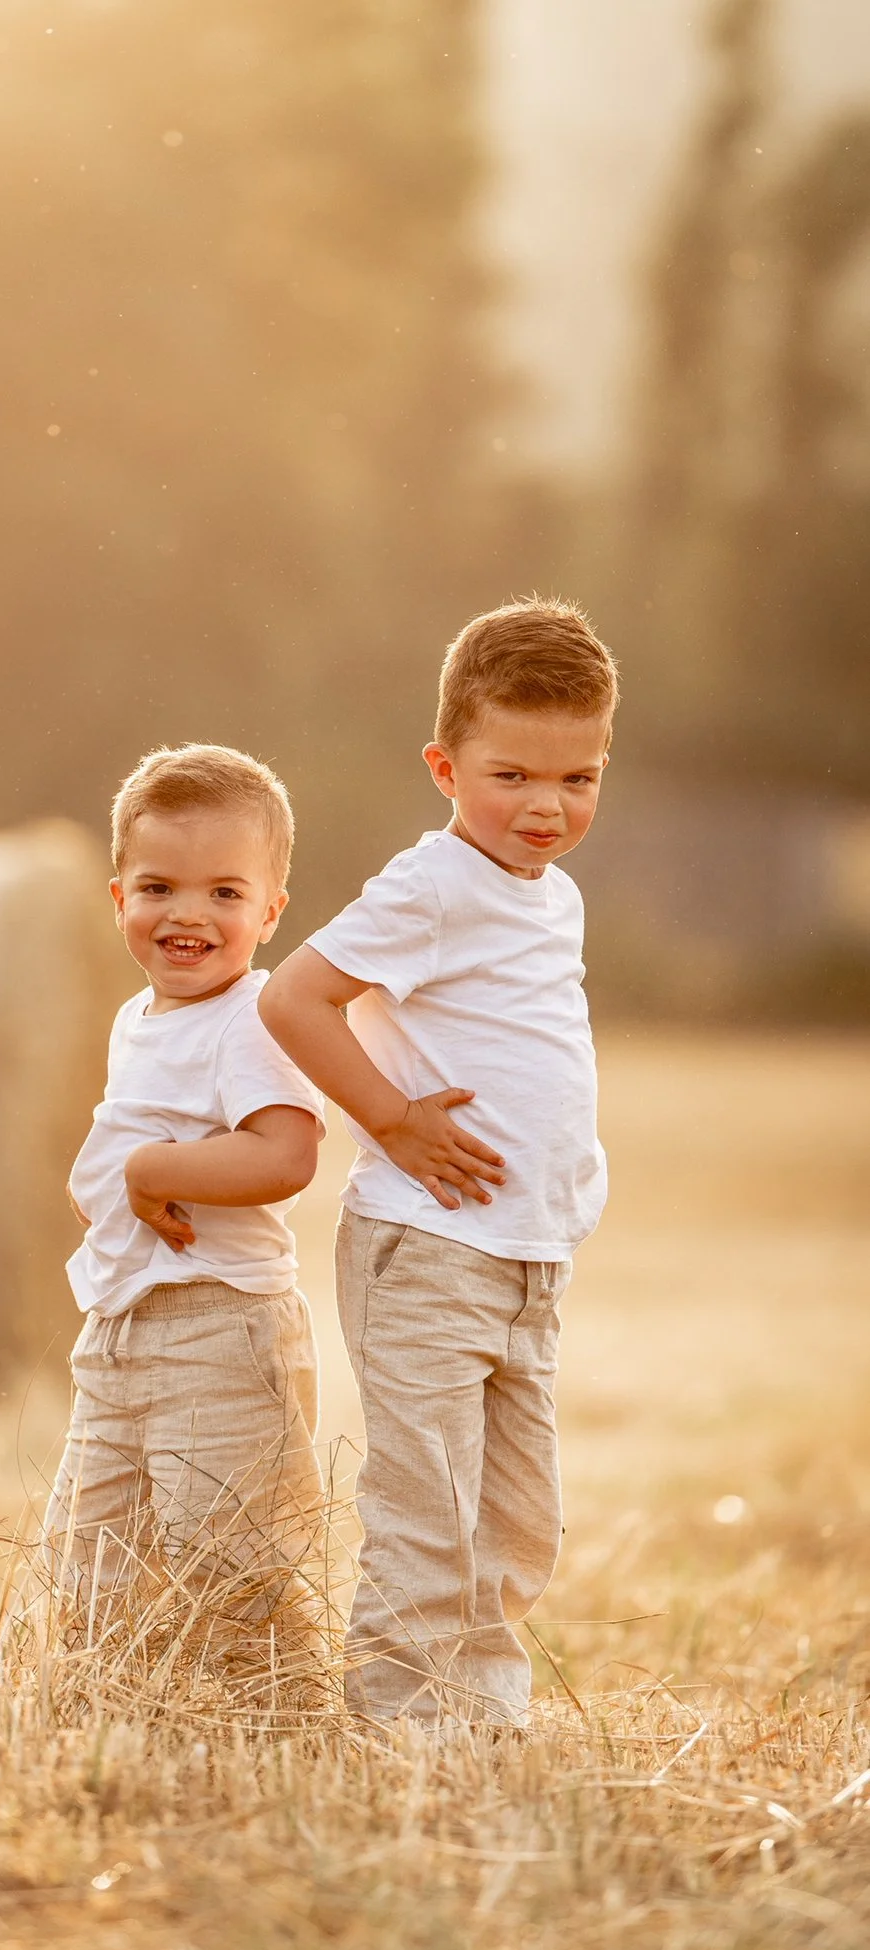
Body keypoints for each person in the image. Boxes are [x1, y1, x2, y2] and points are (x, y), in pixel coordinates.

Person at [259, 598, 618, 1730]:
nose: (547, 807)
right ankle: (406, 1726)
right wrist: (390, 1116)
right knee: (428, 1506)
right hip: (428, 1246)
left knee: (520, 1520)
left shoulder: (548, 894)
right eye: (511, 775)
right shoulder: (432, 885)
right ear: (445, 766)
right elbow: (295, 995)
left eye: (579, 778)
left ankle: (483, 1710)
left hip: (527, 1258)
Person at [42, 742, 328, 1680]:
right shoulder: (140, 1015)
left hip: (221, 1329)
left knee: (234, 1568)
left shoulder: (255, 1017)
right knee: (89, 1572)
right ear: (119, 896)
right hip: (121, 1332)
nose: (189, 914)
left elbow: (287, 1155)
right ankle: (110, 1712)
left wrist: (154, 1167)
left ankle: (274, 1724)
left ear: (270, 910)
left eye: (225, 893)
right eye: (159, 887)